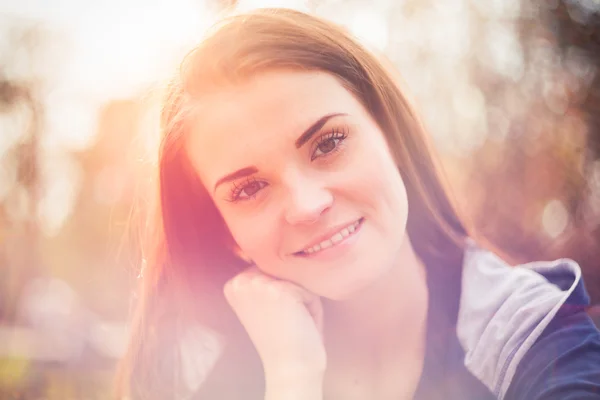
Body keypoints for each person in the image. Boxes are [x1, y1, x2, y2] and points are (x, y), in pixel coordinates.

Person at [116, 8, 600, 400]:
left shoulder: (539, 341)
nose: (307, 204)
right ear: (222, 231)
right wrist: (291, 378)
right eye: (248, 189)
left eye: (328, 143)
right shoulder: (201, 379)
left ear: (391, 136)